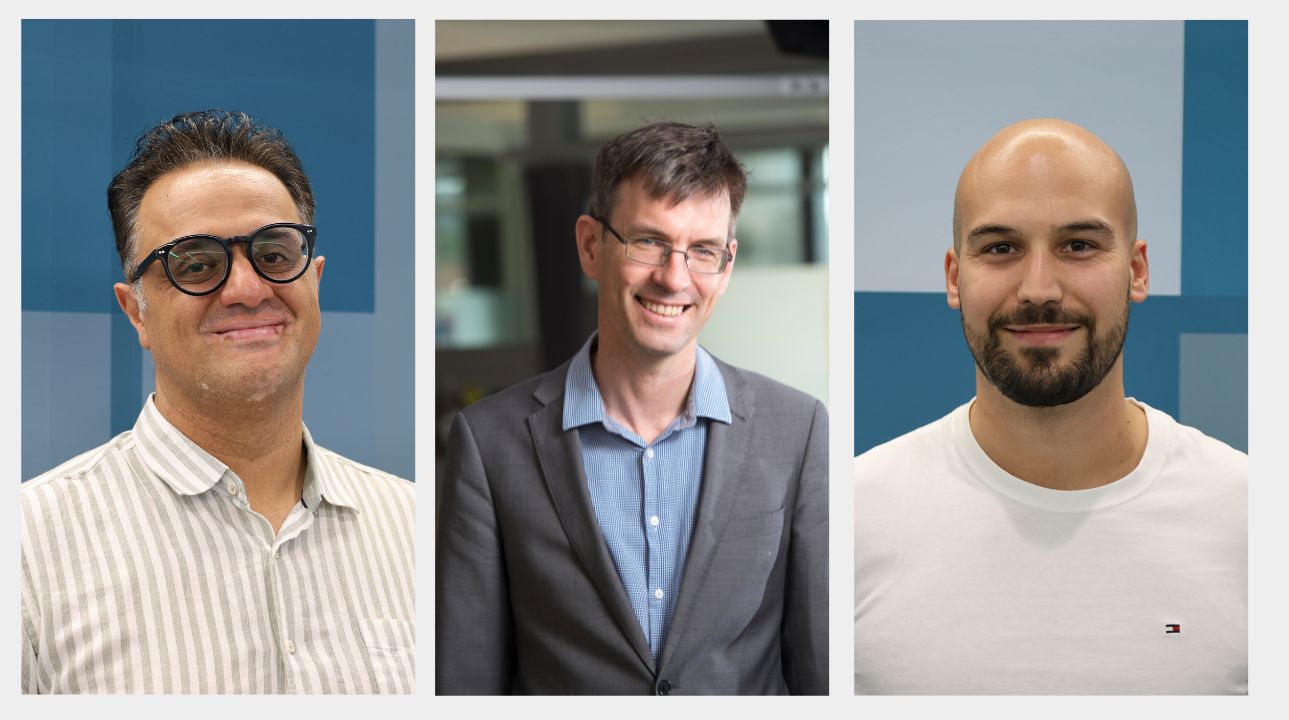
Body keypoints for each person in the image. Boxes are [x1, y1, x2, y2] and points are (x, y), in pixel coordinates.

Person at [20, 110, 415, 694]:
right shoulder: (26, 550)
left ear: (315, 280)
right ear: (136, 312)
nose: (248, 289)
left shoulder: (415, 525)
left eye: (274, 255)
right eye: (197, 264)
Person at [852, 118, 1246, 694]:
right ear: (955, 277)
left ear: (1136, 271)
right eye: (1001, 248)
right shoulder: (853, 517)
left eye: (1078, 245)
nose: (1039, 289)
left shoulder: (1253, 519)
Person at [437, 122, 828, 695]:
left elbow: (820, 676)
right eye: (648, 242)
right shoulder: (489, 443)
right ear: (591, 246)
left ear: (727, 266)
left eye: (702, 251)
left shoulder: (797, 430)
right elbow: (466, 682)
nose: (674, 278)